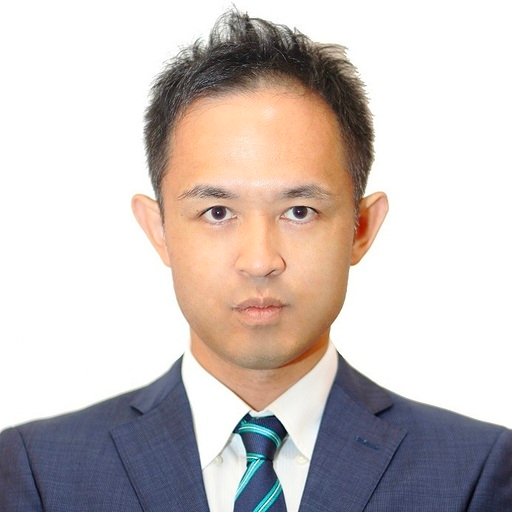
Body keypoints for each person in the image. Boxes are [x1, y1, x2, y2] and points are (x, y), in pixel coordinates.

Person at [0, 9, 510, 511]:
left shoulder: (474, 473)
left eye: (299, 211)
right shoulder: (37, 471)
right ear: (159, 229)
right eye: (218, 212)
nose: (260, 260)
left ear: (361, 228)